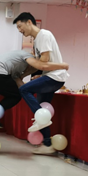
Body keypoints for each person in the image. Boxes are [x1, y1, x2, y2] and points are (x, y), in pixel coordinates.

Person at [0, 50, 69, 153]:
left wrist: (28, 93)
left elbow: (19, 83)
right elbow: (36, 67)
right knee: (15, 96)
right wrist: (61, 66)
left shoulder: (17, 65)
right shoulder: (27, 55)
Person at [16, 12, 69, 155]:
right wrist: (40, 73)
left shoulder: (44, 35)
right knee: (42, 112)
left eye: (20, 26)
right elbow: (42, 64)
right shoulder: (37, 39)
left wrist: (59, 66)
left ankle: (41, 123)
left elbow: (44, 61)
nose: (20, 30)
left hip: (55, 77)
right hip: (50, 75)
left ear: (29, 22)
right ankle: (47, 144)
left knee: (24, 90)